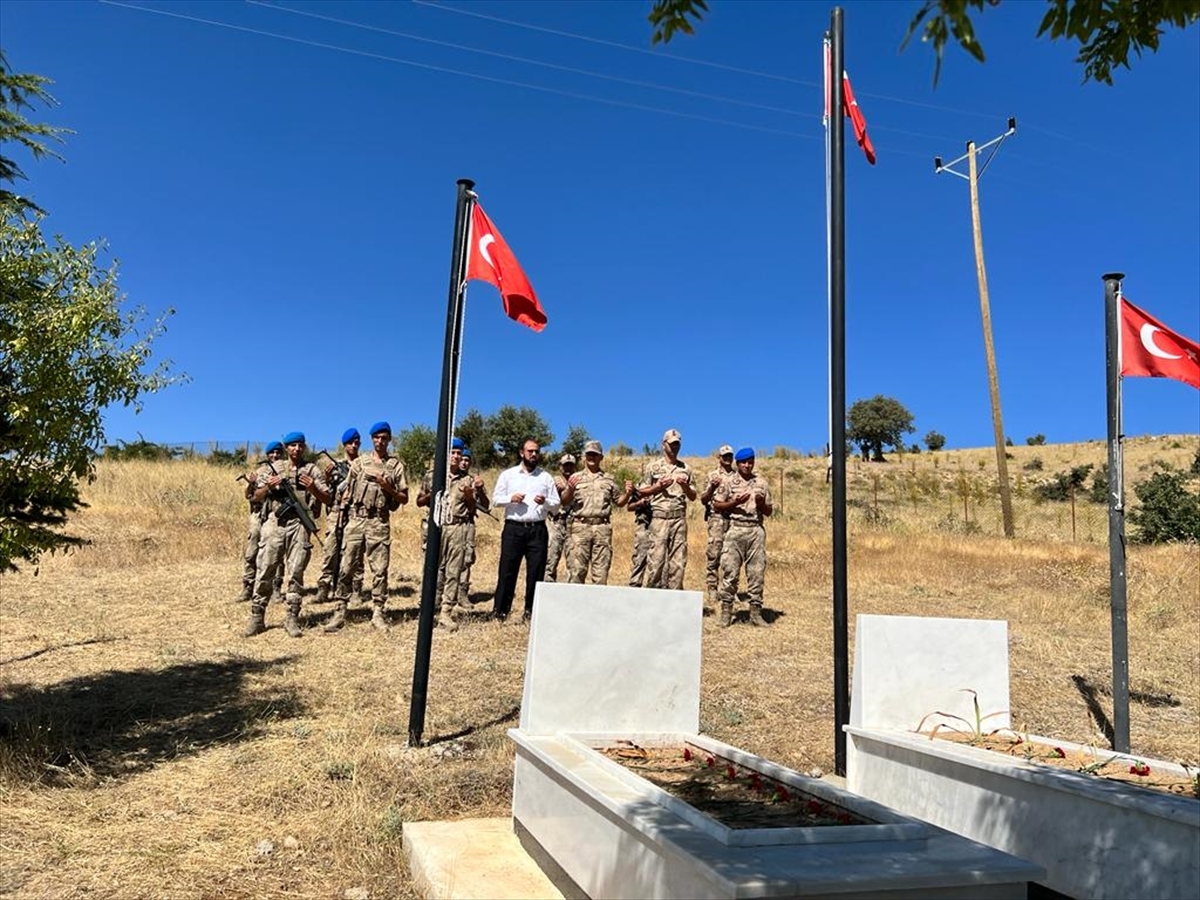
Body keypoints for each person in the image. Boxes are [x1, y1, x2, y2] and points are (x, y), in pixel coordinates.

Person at [245, 432, 331, 638]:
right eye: (292, 446)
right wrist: (269, 486)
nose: (296, 449)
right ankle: (257, 617)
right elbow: (255, 496)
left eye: (300, 445)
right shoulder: (273, 468)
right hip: (275, 523)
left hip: (300, 524)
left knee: (296, 572)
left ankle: (292, 617)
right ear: (287, 448)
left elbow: (328, 498)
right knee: (265, 568)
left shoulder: (311, 470)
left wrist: (312, 487)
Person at [325, 421, 408, 633]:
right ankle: (340, 610)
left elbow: (404, 498)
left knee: (380, 569)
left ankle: (378, 613)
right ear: (372, 439)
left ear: (389, 440)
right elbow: (346, 491)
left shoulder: (396, 466)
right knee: (346, 566)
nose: (380, 442)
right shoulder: (359, 463)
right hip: (356, 519)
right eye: (377, 438)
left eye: (384, 438)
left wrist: (386, 486)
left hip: (379, 521)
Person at [491, 439, 560, 623]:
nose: (534, 454)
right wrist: (510, 498)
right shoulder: (508, 475)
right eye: (530, 451)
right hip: (514, 528)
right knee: (507, 571)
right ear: (522, 452)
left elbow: (556, 505)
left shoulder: (546, 477)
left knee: (536, 572)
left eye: (536, 451)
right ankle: (500, 612)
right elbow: (496, 500)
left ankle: (531, 613)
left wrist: (544, 502)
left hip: (537, 529)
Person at [712, 447, 774, 628]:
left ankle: (755, 612)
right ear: (737, 464)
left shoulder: (761, 483)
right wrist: (735, 502)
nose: (748, 465)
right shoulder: (729, 482)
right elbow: (717, 505)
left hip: (755, 530)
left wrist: (762, 503)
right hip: (735, 530)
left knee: (756, 573)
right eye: (744, 462)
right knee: (730, 572)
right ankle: (726, 611)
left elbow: (769, 511)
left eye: (750, 461)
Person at [561, 440, 629, 585]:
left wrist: (628, 493)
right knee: (577, 572)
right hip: (580, 528)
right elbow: (564, 501)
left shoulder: (609, 479)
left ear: (601, 458)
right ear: (584, 457)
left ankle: (597, 606)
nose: (592, 457)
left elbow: (619, 501)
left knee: (601, 573)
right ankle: (575, 606)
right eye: (589, 454)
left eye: (595, 455)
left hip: (602, 529)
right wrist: (570, 490)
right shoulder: (575, 478)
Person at [639, 428, 697, 590]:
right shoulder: (653, 467)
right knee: (656, 562)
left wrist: (685, 487)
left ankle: (674, 603)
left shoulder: (685, 468)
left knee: (678, 563)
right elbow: (641, 491)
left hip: (679, 519)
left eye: (677, 444)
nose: (674, 447)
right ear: (663, 445)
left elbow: (693, 496)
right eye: (671, 444)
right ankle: (652, 599)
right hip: (659, 518)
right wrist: (657, 487)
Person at [433, 442, 479, 632]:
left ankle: (446, 611)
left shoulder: (467, 481)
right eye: (452, 452)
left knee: (454, 570)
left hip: (457, 527)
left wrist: (469, 496)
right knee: (435, 568)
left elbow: (473, 509)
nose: (456, 456)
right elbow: (420, 500)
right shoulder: (434, 476)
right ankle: (430, 606)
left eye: (459, 453)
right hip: (437, 526)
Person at [315, 427, 362, 604]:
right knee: (330, 550)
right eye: (351, 443)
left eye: (357, 443)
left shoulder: (363, 465)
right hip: (336, 511)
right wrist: (327, 478)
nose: (354, 446)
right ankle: (324, 587)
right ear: (345, 445)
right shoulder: (336, 466)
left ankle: (355, 588)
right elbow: (326, 492)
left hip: (356, 512)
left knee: (355, 552)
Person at [237, 440, 284, 603]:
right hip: (258, 514)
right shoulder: (260, 471)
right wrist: (251, 484)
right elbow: (248, 495)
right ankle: (248, 586)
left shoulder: (284, 469)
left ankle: (276, 588)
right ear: (267, 454)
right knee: (252, 552)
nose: (275, 455)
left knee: (276, 552)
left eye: (278, 452)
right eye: (272, 452)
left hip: (275, 514)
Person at [698, 445, 735, 608]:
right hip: (717, 519)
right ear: (718, 458)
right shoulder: (712, 476)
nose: (727, 459)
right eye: (724, 456)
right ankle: (712, 588)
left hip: (734, 519)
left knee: (732, 556)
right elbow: (703, 499)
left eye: (730, 456)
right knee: (714, 553)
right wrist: (712, 487)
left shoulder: (737, 476)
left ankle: (728, 590)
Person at [457, 447, 489, 612]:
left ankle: (462, 593)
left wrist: (480, 489)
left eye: (467, 460)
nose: (464, 462)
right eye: (462, 458)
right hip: (449, 524)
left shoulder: (473, 481)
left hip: (467, 523)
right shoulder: (448, 477)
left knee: (466, 559)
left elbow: (485, 505)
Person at [543, 453, 576, 582]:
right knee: (551, 557)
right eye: (565, 465)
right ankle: (547, 587)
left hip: (573, 524)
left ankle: (571, 592)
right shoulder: (553, 480)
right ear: (560, 466)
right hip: (555, 522)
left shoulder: (578, 480)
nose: (568, 468)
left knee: (573, 561)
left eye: (570, 465)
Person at [626, 481, 653, 588]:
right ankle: (635, 586)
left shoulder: (665, 483)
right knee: (640, 558)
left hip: (661, 526)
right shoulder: (641, 486)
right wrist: (640, 503)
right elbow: (629, 507)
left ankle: (656, 587)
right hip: (644, 526)